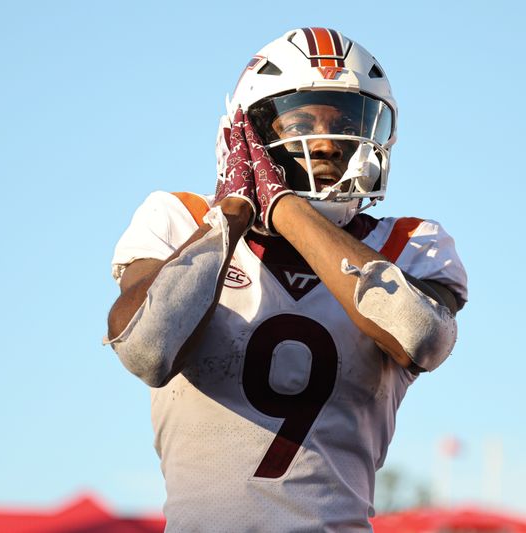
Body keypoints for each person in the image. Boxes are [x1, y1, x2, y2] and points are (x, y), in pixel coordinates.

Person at [106, 27, 468, 532]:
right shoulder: (179, 219)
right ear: (247, 134)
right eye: (300, 119)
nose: (325, 141)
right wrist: (231, 216)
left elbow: (419, 335)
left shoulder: (413, 244)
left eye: (345, 120)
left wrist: (282, 208)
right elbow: (148, 348)